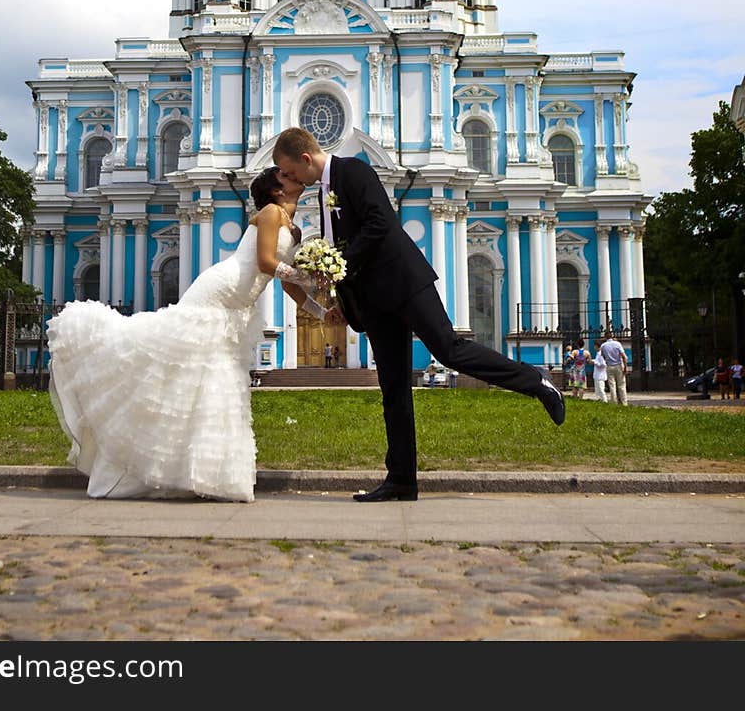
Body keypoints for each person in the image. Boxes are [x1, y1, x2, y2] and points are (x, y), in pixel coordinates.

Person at [272, 127, 565, 503]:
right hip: (375, 302)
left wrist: (339, 262)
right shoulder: (321, 190)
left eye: (289, 170)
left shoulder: (355, 172)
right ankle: (401, 480)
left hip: (404, 282)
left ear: (305, 159)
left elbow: (380, 223)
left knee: (450, 350)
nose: (290, 178)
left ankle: (536, 382)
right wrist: (340, 302)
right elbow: (340, 248)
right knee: (393, 388)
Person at [46, 167, 316, 502]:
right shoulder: (271, 213)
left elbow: (287, 282)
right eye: (288, 177)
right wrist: (309, 276)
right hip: (219, 292)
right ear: (277, 190)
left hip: (236, 306)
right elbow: (264, 262)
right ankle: (154, 466)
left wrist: (319, 309)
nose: (297, 179)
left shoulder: (296, 228)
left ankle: (212, 475)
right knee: (185, 377)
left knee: (217, 384)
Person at [600, 332, 628, 405]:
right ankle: (624, 402)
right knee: (621, 385)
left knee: (612, 385)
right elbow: (624, 356)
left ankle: (614, 402)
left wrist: (607, 360)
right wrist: (625, 367)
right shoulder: (617, 344)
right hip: (618, 365)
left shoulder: (603, 346)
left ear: (605, 337)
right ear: (612, 336)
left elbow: (602, 356)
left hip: (609, 366)